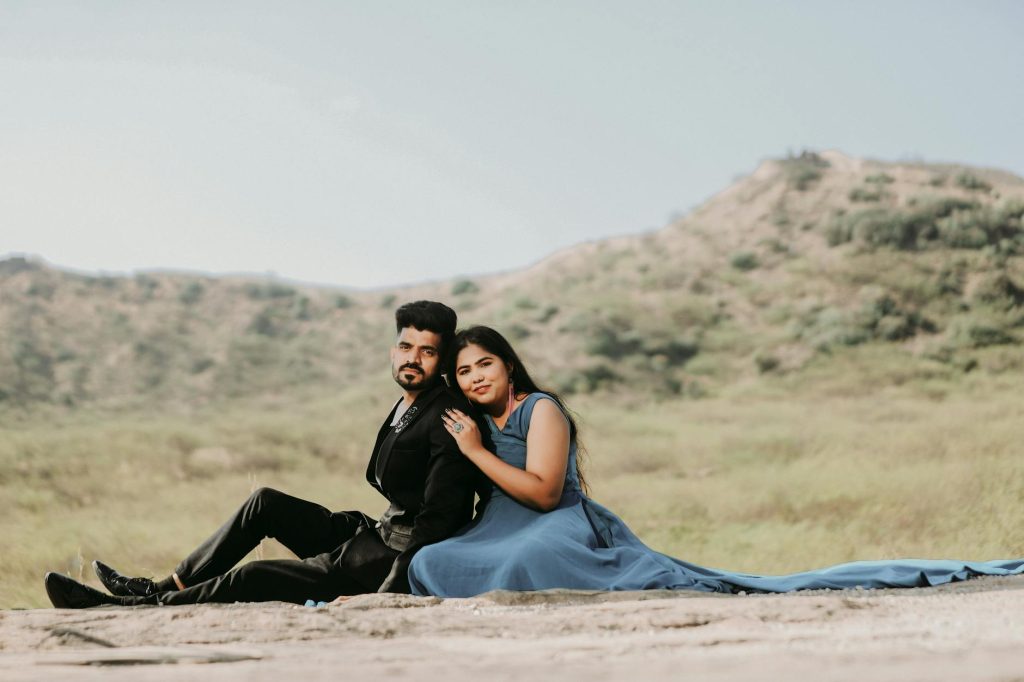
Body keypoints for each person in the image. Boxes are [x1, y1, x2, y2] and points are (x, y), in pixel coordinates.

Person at [408, 325, 1024, 597]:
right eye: (463, 371)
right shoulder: (474, 420)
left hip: (552, 522)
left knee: (532, 556)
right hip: (497, 527)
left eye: (484, 363)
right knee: (436, 561)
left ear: (508, 365)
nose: (474, 376)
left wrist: (473, 453)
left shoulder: (540, 409)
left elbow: (543, 493)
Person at [44, 300, 488, 608]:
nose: (413, 359)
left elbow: (439, 521)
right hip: (368, 534)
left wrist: (386, 595)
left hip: (385, 563)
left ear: (442, 359)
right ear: (394, 351)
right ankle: (162, 585)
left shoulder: (447, 416)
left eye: (427, 351)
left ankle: (140, 606)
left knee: (251, 579)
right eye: (406, 347)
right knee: (266, 502)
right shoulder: (409, 401)